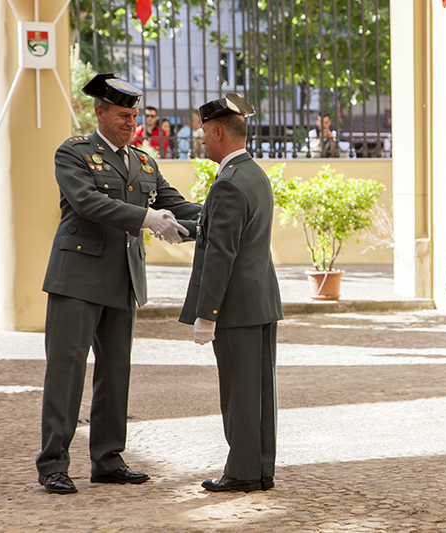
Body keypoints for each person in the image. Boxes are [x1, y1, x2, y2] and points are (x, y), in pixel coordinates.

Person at [37, 73, 202, 494]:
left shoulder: (144, 162)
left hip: (122, 279)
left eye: (134, 116)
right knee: (66, 372)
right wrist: (146, 218)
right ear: (101, 113)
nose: (131, 123)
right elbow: (87, 202)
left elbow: (174, 204)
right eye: (123, 115)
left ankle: (107, 459)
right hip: (77, 277)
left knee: (115, 373)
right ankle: (53, 463)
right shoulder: (74, 153)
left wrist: (224, 207)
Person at [179, 92, 283, 493]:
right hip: (260, 302)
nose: (201, 139)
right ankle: (260, 469)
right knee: (260, 393)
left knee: (239, 394)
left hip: (236, 308)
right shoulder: (253, 174)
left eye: (204, 132)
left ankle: (241, 473)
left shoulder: (227, 183)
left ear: (219, 131)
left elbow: (221, 254)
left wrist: (207, 314)